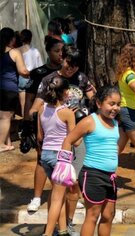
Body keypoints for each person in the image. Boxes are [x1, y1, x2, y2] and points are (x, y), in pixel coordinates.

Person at [30, 46, 95, 233]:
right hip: (64, 146)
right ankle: (54, 230)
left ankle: (65, 226)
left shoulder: (82, 78)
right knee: (63, 191)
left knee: (68, 188)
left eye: (75, 66)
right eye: (68, 64)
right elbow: (35, 108)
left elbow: (95, 97)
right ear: (62, 58)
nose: (71, 69)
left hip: (68, 140)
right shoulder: (49, 81)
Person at [60, 85, 121, 236]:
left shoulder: (115, 123)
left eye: (118, 104)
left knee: (108, 216)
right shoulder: (89, 121)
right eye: (111, 104)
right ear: (99, 104)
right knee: (92, 216)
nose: (115, 108)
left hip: (110, 176)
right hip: (92, 175)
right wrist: (65, 165)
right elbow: (69, 140)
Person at [25, 37, 64, 213]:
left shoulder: (68, 73)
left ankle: (70, 193)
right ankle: (37, 197)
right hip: (45, 123)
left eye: (63, 51)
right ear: (48, 52)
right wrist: (28, 120)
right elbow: (30, 99)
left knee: (66, 162)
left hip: (64, 124)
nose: (61, 54)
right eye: (57, 51)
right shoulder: (39, 73)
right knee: (41, 160)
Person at [39, 76, 76, 236]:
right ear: (66, 92)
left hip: (45, 155)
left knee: (57, 194)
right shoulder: (67, 113)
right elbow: (76, 141)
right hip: (60, 157)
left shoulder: (42, 108)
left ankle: (62, 230)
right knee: (57, 198)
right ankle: (48, 233)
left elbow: (40, 137)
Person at [117, 44, 135, 177]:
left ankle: (100, 168)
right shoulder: (129, 74)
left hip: (129, 111)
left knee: (119, 146)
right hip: (129, 112)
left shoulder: (129, 72)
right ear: (134, 56)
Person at [0, 27, 29, 153]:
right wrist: (31, 73)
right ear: (12, 39)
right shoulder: (15, 52)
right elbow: (22, 71)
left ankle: (8, 142)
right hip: (9, 89)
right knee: (6, 117)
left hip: (1, 88)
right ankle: (1, 144)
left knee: (4, 116)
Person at [18, 29, 43, 118]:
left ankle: (23, 123)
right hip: (32, 78)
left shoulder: (17, 51)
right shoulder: (35, 51)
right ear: (31, 39)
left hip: (21, 77)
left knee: (22, 103)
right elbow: (40, 66)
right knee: (31, 102)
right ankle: (30, 122)